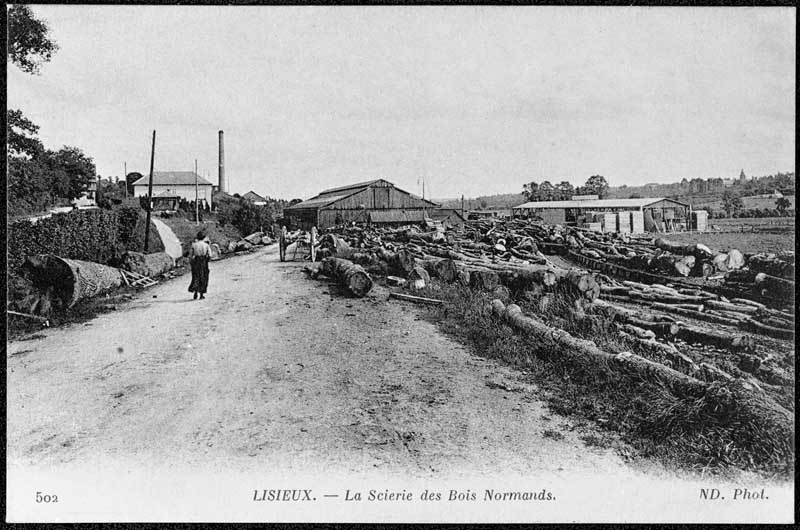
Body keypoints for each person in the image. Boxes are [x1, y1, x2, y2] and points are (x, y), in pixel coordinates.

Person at [188, 231, 212, 299]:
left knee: (196, 277)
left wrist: (192, 262)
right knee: (203, 277)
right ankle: (201, 294)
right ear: (204, 238)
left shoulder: (194, 245)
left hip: (196, 261)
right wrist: (207, 261)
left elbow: (190, 255)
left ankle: (195, 292)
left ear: (197, 237)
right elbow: (210, 255)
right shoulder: (206, 245)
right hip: (203, 261)